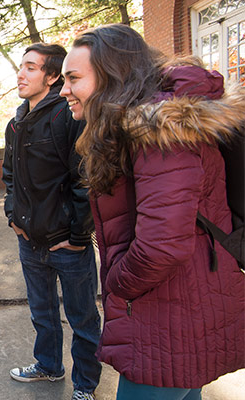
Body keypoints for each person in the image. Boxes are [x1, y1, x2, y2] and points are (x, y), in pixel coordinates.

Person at [61, 24, 245, 399]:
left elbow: (162, 246)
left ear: (113, 75)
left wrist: (117, 283)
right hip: (183, 305)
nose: (64, 90)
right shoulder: (144, 126)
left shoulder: (159, 132)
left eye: (73, 78)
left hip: (172, 315)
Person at [2, 43, 101, 400]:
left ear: (53, 75)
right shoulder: (16, 122)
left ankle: (85, 385)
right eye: (21, 66)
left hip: (67, 245)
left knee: (83, 318)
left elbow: (84, 180)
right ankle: (48, 366)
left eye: (31, 68)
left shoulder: (67, 117)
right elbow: (10, 175)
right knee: (42, 314)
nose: (21, 73)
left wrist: (77, 235)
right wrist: (12, 215)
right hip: (29, 242)